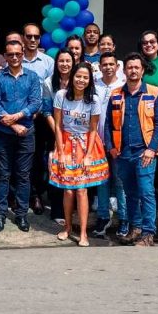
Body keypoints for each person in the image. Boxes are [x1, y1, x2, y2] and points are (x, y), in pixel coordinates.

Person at [105, 53, 158, 247]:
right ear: (124, 70)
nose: (133, 70)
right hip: (123, 153)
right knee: (130, 193)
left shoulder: (154, 92)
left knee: (146, 192)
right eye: (129, 67)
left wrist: (152, 149)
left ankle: (148, 233)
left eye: (136, 67)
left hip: (144, 153)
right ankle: (135, 228)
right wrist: (111, 147)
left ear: (142, 70)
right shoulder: (116, 94)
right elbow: (108, 124)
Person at [49, 62, 108, 247]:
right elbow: (58, 126)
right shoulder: (61, 95)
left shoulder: (94, 100)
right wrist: (60, 151)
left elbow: (93, 130)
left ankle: (83, 233)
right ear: (72, 76)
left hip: (86, 144)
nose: (81, 80)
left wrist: (89, 155)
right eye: (78, 76)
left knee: (82, 190)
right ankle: (67, 227)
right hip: (65, 143)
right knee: (67, 190)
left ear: (90, 80)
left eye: (85, 77)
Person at [0, 40, 42, 233]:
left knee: (23, 176)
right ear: (5, 55)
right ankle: (1, 214)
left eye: (17, 54)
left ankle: (21, 214)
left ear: (22, 54)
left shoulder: (32, 77)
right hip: (4, 134)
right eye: (10, 54)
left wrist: (18, 117)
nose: (14, 57)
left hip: (27, 134)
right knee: (3, 175)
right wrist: (14, 126)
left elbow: (36, 102)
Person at [92, 52, 127, 237]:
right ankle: (103, 216)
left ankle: (124, 219)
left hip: (117, 142)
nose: (108, 67)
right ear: (100, 66)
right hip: (97, 142)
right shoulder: (94, 85)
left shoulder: (123, 86)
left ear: (117, 66)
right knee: (102, 181)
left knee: (120, 183)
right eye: (104, 64)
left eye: (111, 64)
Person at [41, 50, 75, 221]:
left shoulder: (79, 79)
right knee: (56, 170)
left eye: (68, 61)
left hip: (77, 133)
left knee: (75, 171)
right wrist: (58, 133)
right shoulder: (49, 82)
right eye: (61, 61)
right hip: (54, 132)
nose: (64, 64)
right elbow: (46, 110)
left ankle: (74, 210)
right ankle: (57, 211)